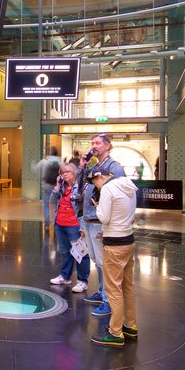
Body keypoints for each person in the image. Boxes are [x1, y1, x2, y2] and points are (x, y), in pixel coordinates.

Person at [87, 168, 139, 348]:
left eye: (95, 183)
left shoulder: (108, 189)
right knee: (127, 286)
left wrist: (98, 206)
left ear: (100, 177)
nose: (97, 187)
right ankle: (130, 326)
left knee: (113, 288)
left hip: (114, 245)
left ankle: (115, 332)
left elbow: (104, 218)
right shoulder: (129, 186)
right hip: (129, 241)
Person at [75, 134, 125, 316]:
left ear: (108, 146)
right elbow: (80, 188)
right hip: (88, 219)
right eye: (92, 143)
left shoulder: (114, 167)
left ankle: (108, 299)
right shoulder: (94, 167)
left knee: (105, 263)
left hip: (101, 221)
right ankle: (102, 291)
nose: (93, 146)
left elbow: (121, 192)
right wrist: (82, 167)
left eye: (97, 143)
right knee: (97, 261)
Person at [49, 163, 91, 293]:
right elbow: (51, 200)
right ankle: (65, 276)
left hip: (74, 225)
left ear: (75, 172)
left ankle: (82, 281)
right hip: (60, 224)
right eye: (62, 172)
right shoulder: (62, 188)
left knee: (80, 253)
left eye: (67, 172)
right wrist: (57, 186)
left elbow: (86, 207)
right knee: (65, 252)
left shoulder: (81, 188)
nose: (64, 174)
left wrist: (83, 226)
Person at [35, 147, 62, 230]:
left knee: (46, 204)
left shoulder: (44, 161)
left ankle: (47, 224)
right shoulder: (60, 162)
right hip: (56, 186)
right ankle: (55, 222)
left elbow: (35, 169)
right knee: (57, 205)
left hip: (46, 185)